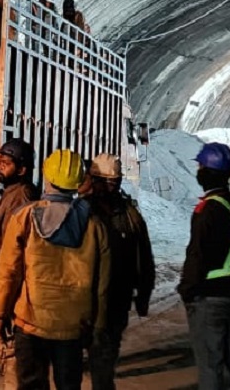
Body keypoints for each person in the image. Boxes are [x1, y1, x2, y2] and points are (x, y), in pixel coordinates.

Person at [0, 149, 111, 390]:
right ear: (78, 182)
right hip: (72, 328)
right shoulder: (94, 225)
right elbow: (102, 283)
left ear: (47, 177)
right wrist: (97, 326)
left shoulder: (24, 217)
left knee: (31, 385)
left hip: (30, 322)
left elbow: (8, 273)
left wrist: (0, 313)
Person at [177, 143, 230, 390]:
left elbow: (197, 254)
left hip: (209, 298)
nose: (198, 170)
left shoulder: (206, 210)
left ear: (209, 172)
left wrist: (187, 290)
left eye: (201, 166)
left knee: (210, 364)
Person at [82, 153, 156, 390]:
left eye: (115, 182)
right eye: (106, 182)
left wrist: (144, 293)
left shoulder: (130, 216)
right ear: (93, 180)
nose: (111, 187)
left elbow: (144, 255)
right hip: (82, 300)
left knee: (103, 360)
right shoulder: (80, 212)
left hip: (116, 300)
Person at [0, 137, 40, 387]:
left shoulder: (23, 197)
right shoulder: (11, 194)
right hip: (3, 290)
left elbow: (18, 253)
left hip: (14, 296)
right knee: (8, 359)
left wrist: (3, 303)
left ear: (22, 169)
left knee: (12, 357)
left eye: (6, 162)